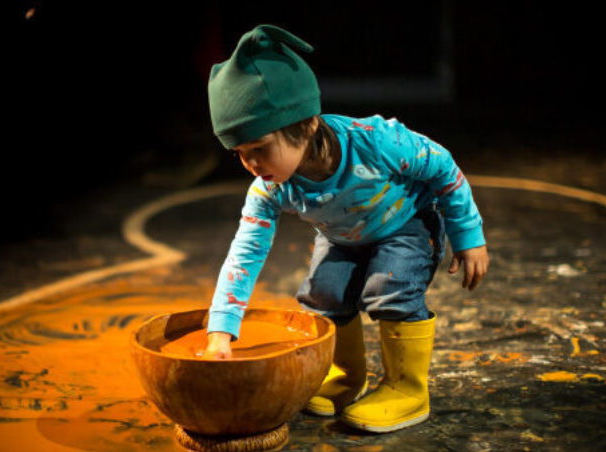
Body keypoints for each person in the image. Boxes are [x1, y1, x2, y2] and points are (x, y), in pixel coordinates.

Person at [201, 24, 489, 433]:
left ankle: (408, 390)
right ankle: (347, 378)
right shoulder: (268, 189)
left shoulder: (376, 141)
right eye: (239, 154)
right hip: (343, 237)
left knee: (388, 287)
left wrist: (468, 236)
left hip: (405, 224)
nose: (251, 164)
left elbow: (442, 166)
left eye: (259, 149)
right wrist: (221, 329)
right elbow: (244, 252)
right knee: (323, 294)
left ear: (306, 124)